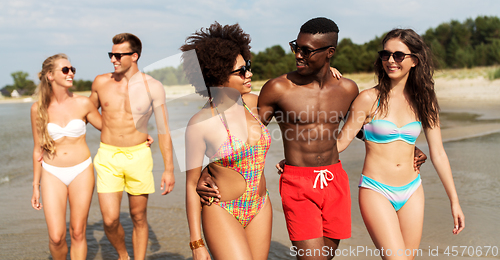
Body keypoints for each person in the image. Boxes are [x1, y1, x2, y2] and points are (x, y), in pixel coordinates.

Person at [196, 18, 428, 260]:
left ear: (329, 53)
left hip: (334, 181)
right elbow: (248, 133)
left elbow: (359, 129)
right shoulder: (278, 88)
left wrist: (405, 148)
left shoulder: (347, 89)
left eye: (306, 50)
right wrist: (210, 167)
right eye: (296, 46)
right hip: (298, 183)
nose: (298, 54)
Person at [337, 28, 465, 259]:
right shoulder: (368, 98)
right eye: (385, 55)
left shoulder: (424, 101)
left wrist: (454, 202)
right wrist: (299, 159)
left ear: (414, 61)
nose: (390, 60)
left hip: (412, 190)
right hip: (376, 190)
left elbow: (438, 153)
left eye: (398, 55)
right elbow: (339, 143)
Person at [182, 22, 273, 260]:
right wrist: (196, 243)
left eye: (248, 66)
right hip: (223, 209)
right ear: (218, 75)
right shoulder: (199, 123)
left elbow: (301, 106)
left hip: (261, 205)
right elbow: (192, 185)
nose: (250, 74)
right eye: (241, 71)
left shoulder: (256, 104)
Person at [90, 33, 175, 260]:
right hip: (107, 156)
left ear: (134, 56)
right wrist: (108, 130)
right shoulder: (100, 82)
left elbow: (164, 130)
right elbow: (87, 112)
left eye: (118, 55)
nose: (112, 59)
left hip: (139, 156)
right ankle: (123, 256)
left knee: (138, 216)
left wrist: (169, 169)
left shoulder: (153, 87)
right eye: (111, 54)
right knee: (110, 219)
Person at [31, 54, 101, 260]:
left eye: (72, 69)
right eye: (65, 70)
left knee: (78, 232)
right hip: (52, 172)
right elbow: (37, 149)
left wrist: (141, 134)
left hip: (81, 170)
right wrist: (36, 185)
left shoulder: (83, 103)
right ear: (50, 76)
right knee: (56, 237)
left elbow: (108, 128)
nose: (71, 73)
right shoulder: (38, 109)